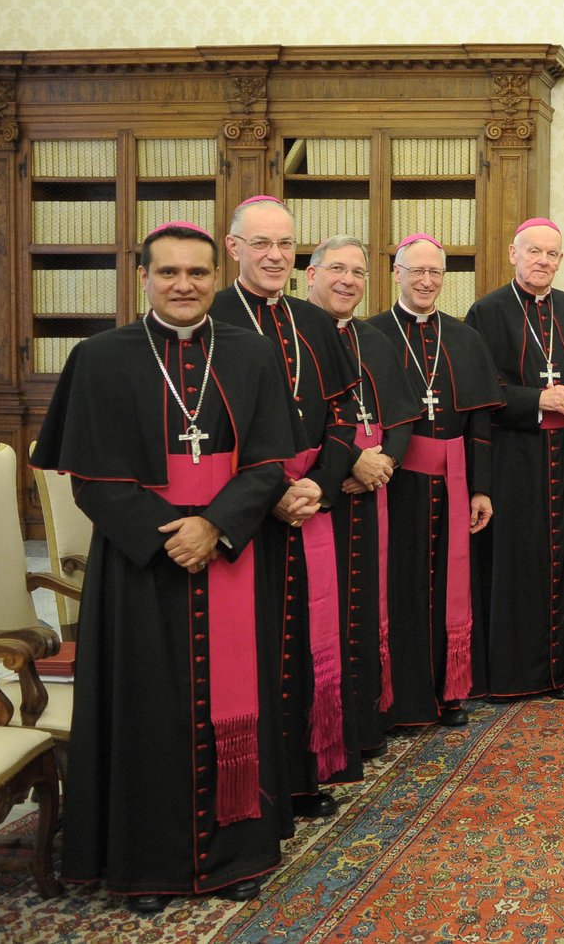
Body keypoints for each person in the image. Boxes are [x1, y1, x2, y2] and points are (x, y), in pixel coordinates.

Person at [31, 222, 297, 913]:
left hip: (232, 551)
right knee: (145, 711)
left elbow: (271, 462)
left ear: (217, 274)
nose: (184, 285)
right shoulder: (100, 358)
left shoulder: (252, 354)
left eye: (198, 273)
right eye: (169, 272)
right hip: (140, 566)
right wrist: (169, 534)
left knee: (237, 707)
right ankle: (148, 868)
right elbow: (87, 477)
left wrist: (215, 525)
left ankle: (237, 854)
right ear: (142, 275)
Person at [210, 196, 358, 822]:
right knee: (259, 648)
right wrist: (273, 495)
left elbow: (347, 417)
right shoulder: (210, 315)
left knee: (306, 644)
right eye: (260, 243)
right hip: (248, 512)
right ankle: (257, 786)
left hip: (311, 500)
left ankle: (300, 777)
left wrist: (320, 485)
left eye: (285, 245)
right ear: (233, 246)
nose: (274, 256)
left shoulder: (313, 320)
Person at [366, 234, 503, 729]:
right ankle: (398, 700)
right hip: (395, 483)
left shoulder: (465, 338)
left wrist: (482, 488)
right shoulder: (373, 334)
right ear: (395, 273)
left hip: (454, 482)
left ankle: (447, 694)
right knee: (399, 586)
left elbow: (481, 425)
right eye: (416, 271)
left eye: (436, 273)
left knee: (448, 586)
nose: (426, 281)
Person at [464, 218, 564, 700]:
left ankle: (561, 672)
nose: (543, 261)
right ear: (512, 254)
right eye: (534, 252)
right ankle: (514, 674)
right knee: (517, 563)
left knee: (563, 558)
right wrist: (538, 400)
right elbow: (480, 391)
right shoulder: (486, 312)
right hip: (512, 459)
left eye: (552, 254)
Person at [304, 235, 420, 760]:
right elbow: (300, 418)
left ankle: (366, 723)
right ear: (310, 276)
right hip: (319, 495)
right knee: (321, 617)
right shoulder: (296, 335)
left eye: (357, 272)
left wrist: (385, 464)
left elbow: (401, 414)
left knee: (369, 607)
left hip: (372, 494)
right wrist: (352, 461)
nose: (348, 280)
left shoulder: (372, 338)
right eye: (336, 270)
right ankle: (325, 733)